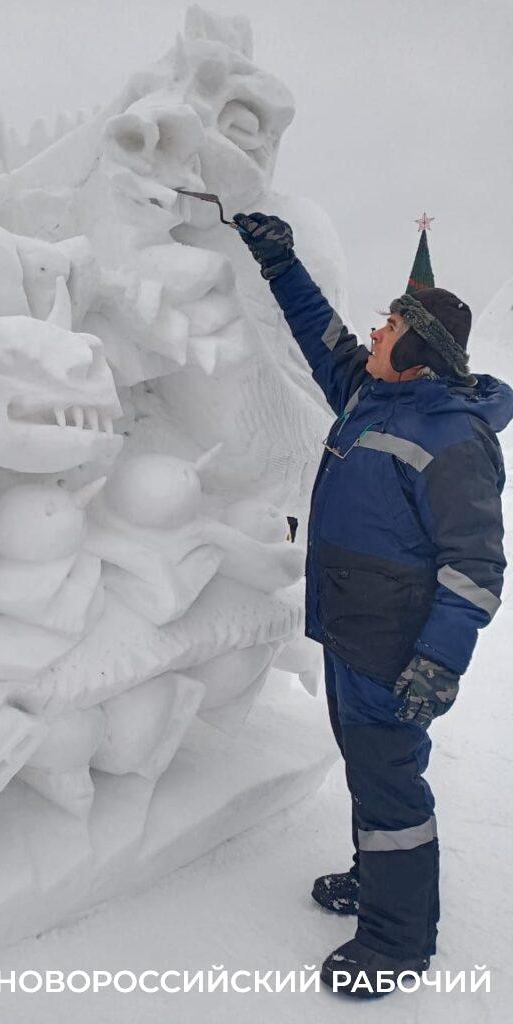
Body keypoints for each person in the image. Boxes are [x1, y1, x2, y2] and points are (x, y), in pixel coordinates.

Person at [234, 211, 512, 998]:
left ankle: (396, 942)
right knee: (370, 771)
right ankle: (376, 879)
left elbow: (475, 566)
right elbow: (320, 334)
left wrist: (437, 662)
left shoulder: (454, 438)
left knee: (391, 788)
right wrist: (278, 261)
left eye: (391, 325)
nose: (375, 331)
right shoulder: (370, 393)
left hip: (395, 647)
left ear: (421, 349)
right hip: (352, 630)